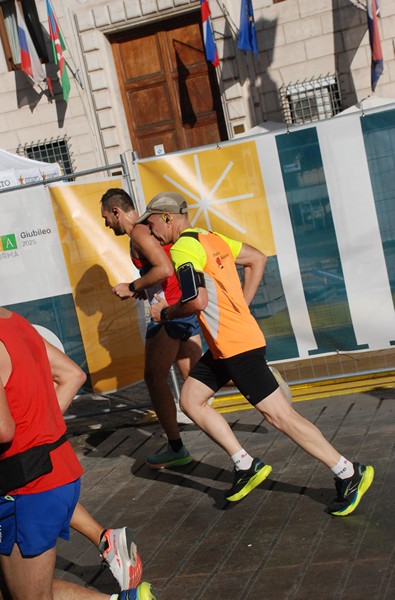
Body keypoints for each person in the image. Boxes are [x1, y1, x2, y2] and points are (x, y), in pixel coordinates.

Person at [137, 191, 374, 516]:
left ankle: (348, 472)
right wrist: (242, 306)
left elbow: (197, 301)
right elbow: (257, 258)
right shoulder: (211, 237)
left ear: (166, 218)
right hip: (226, 345)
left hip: (235, 346)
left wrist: (164, 313)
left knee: (280, 416)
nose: (150, 233)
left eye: (151, 225)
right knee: (191, 400)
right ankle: (244, 463)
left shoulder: (183, 248)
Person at [0, 303, 155, 600]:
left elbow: (0, 429)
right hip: (57, 471)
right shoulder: (14, 321)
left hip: (27, 488)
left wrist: (30, 435)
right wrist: (39, 429)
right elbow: (72, 375)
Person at [100, 188, 203, 469]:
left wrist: (132, 287)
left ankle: (176, 447)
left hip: (168, 313)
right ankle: (261, 375)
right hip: (181, 307)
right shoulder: (148, 229)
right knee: (198, 382)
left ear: (117, 211)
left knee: (154, 379)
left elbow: (165, 269)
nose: (107, 225)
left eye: (106, 217)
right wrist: (143, 289)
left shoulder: (138, 232)